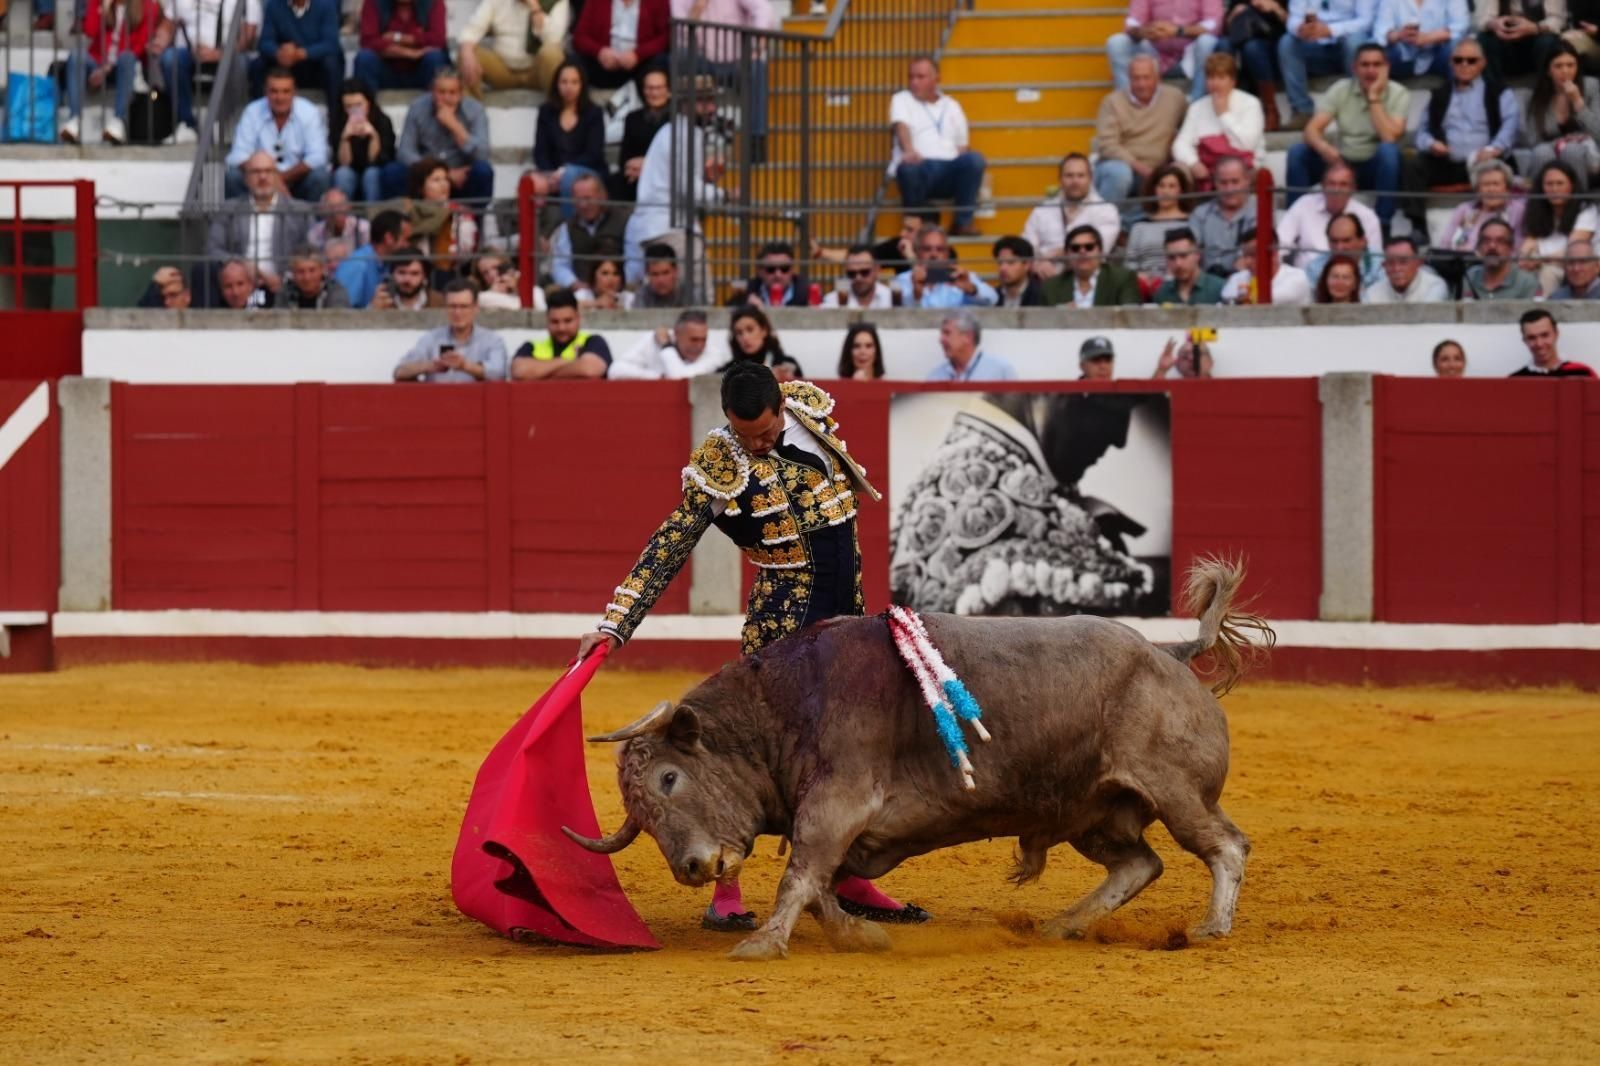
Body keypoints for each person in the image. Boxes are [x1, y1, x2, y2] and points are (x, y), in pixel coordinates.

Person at [576, 363, 927, 932]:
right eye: (747, 436)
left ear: (781, 407)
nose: (758, 446)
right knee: (748, 753)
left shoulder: (808, 408)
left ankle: (851, 877)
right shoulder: (722, 463)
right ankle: (726, 889)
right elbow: (668, 546)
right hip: (783, 623)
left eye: (765, 433)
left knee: (843, 748)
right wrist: (616, 623)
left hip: (845, 619)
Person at [1286, 44, 1407, 230]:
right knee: (1297, 152)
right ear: (1354, 68)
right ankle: (1294, 222)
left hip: (1374, 167)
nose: (1371, 70)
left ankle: (1383, 225)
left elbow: (1389, 137)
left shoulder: (1399, 93)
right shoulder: (1341, 89)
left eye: (1377, 65)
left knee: (1389, 152)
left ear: (1386, 68)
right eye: (1365, 65)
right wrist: (1325, 149)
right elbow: (1311, 130)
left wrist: (1374, 97)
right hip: (1341, 161)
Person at [624, 75, 722, 296]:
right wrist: (723, 195)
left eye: (711, 100)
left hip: (661, 224)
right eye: (704, 101)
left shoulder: (678, 132)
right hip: (669, 227)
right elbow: (688, 189)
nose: (711, 107)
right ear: (686, 104)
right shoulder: (683, 135)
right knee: (700, 294)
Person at [889, 56, 987, 236]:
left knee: (974, 160)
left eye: (920, 77)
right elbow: (901, 126)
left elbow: (963, 145)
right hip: (921, 166)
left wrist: (955, 156)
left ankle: (962, 223)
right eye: (911, 77)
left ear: (936, 79)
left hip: (948, 168)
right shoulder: (901, 99)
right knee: (908, 168)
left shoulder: (952, 105)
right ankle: (914, 226)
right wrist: (909, 150)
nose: (914, 82)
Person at [674, 0, 776, 158]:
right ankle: (686, 132)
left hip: (738, 62)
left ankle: (756, 139)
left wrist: (758, 43)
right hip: (703, 61)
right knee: (679, 57)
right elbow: (680, 34)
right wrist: (697, 10)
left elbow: (763, 8)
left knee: (757, 69)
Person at [1414, 38, 1518, 189]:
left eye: (1471, 60)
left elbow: (1511, 126)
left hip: (1487, 163)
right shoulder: (1439, 94)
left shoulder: (1499, 92)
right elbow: (1421, 132)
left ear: (1482, 63)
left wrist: (1494, 149)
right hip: (1447, 163)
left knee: (1496, 169)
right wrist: (1431, 144)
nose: (1464, 65)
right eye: (1458, 60)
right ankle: (1414, 214)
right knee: (1413, 163)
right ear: (1451, 63)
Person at [207, 150, 312, 299]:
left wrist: (286, 277)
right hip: (240, 283)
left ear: (277, 176)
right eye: (256, 172)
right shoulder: (229, 210)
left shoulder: (299, 211)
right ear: (246, 178)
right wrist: (241, 264)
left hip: (285, 283)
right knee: (202, 269)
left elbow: (312, 252)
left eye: (268, 171)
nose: (262, 177)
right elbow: (213, 249)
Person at [1090, 53, 1189, 205]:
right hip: (1122, 165)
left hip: (1158, 168)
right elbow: (1107, 145)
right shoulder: (1112, 102)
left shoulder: (1175, 98)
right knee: (1120, 173)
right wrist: (1142, 168)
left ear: (1157, 78)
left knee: (1183, 169)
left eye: (1146, 77)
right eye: (1136, 78)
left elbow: (1188, 130)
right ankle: (1103, 222)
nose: (1141, 84)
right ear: (1129, 79)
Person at [152, 0, 261, 137]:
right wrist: (159, 42)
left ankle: (224, 122)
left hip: (231, 54)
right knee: (170, 59)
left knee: (241, 63)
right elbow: (167, 27)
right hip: (190, 52)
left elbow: (247, 39)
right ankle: (187, 124)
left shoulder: (248, 2)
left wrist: (220, 54)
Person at [385, 67, 493, 203]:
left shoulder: (476, 110)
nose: (447, 98)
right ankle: (403, 219)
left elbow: (483, 154)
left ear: (461, 94)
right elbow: (405, 152)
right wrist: (441, 174)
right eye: (441, 92)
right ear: (432, 92)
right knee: (393, 171)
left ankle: (476, 221)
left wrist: (455, 126)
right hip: (427, 176)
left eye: (452, 93)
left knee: (482, 171)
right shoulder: (418, 108)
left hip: (462, 176)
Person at [1277, 0, 1376, 130]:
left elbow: (1366, 21)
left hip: (1347, 40)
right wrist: (1300, 28)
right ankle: (1302, 111)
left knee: (1355, 42)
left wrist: (1331, 30)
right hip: (1315, 44)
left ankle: (1360, 106)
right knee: (1288, 43)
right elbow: (1294, 18)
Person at [1171, 52, 1266, 188]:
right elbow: (1180, 145)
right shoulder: (1197, 107)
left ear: (1232, 81)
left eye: (1221, 78)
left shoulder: (1250, 103)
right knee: (1177, 170)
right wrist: (1193, 163)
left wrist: (1223, 113)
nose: (1215, 83)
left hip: (1243, 167)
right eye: (1211, 78)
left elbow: (1248, 144)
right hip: (1207, 168)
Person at [530, 61, 611, 219]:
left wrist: (564, 171)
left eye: (574, 82)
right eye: (564, 82)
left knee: (569, 176)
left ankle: (569, 228)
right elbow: (540, 151)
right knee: (530, 180)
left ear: (582, 85)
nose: (569, 87)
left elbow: (594, 153)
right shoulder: (546, 112)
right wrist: (551, 175)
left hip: (588, 171)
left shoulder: (594, 113)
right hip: (553, 172)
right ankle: (530, 235)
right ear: (557, 84)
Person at [63, 0, 151, 144]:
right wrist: (104, 9)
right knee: (76, 55)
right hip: (98, 61)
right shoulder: (98, 3)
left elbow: (140, 45)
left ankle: (118, 120)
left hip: (122, 67)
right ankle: (74, 119)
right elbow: (90, 31)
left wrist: (107, 68)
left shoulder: (146, 6)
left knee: (127, 58)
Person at [1022, 153, 1122, 277]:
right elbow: (1025, 250)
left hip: (1089, 281)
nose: (1075, 181)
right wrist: (1038, 265)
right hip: (1044, 282)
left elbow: (1095, 252)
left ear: (1090, 179)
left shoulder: (1106, 210)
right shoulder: (1041, 211)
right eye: (1069, 176)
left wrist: (1048, 256)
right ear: (1060, 179)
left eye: (1080, 176)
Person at [394, 279, 509, 382]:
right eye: (452, 306)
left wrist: (465, 366)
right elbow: (399, 371)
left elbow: (499, 374)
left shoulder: (492, 340)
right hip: (437, 401)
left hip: (474, 401)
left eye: (463, 306)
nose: (457, 313)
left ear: (476, 308)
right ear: (445, 308)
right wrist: (429, 366)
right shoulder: (431, 338)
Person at [1106, 0, 1222, 102]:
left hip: (1191, 52)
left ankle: (1197, 104)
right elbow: (1132, 23)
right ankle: (1129, 104)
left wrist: (1178, 31)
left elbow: (1213, 24)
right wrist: (1144, 31)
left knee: (1207, 42)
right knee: (1117, 42)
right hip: (1155, 52)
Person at [1521, 39, 1600, 188]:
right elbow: (1534, 140)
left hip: (1589, 156)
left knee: (1572, 151)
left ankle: (1578, 204)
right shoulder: (1537, 96)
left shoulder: (1591, 87)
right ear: (1548, 71)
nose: (1565, 71)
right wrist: (1560, 144)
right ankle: (1539, 206)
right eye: (1558, 66)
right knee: (1541, 152)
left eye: (1570, 65)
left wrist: (1578, 103)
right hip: (1550, 155)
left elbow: (1599, 133)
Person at [1277, 161, 1382, 268]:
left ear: (1353, 188)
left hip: (1349, 280)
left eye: (1343, 184)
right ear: (1322, 186)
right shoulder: (1304, 204)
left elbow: (1374, 261)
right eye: (1331, 183)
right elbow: (1280, 243)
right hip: (1303, 279)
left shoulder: (1368, 218)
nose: (1336, 190)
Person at [458, 0, 570, 99]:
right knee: (466, 53)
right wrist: (467, 52)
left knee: (552, 53)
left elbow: (554, 39)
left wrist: (535, 8)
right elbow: (472, 30)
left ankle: (558, 111)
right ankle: (471, 111)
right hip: (502, 71)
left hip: (537, 73)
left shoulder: (557, 1)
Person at [1520, 159, 1599, 293]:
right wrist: (1523, 259)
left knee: (1548, 273)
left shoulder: (1586, 209)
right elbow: (1528, 243)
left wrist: (1539, 260)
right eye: (1549, 184)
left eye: (1560, 183)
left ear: (1572, 186)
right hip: (1542, 265)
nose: (1555, 189)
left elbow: (1573, 250)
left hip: (1574, 267)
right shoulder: (1536, 211)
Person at [400, 157, 479, 282]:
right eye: (436, 180)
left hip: (448, 273)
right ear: (420, 186)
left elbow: (465, 251)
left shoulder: (461, 213)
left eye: (446, 179)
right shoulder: (407, 211)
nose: (444, 184)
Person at [549, 172, 630, 290]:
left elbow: (634, 262)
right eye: (578, 200)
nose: (583, 205)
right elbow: (560, 266)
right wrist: (576, 285)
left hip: (620, 290)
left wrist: (615, 284)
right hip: (580, 292)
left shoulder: (625, 221)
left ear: (603, 196)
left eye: (588, 198)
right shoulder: (566, 227)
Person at [510, 290, 613, 378]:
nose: (561, 328)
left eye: (568, 321)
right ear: (547, 320)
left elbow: (590, 370)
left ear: (578, 318)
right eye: (555, 322)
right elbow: (519, 371)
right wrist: (572, 361)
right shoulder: (532, 346)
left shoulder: (593, 341)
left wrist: (538, 373)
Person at [890, 225, 999, 308]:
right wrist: (916, 295)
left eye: (940, 249)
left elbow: (993, 299)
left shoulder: (961, 277)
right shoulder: (902, 280)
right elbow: (896, 313)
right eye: (927, 249)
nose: (934, 255)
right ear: (917, 252)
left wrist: (971, 289)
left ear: (947, 254)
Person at [254, 0, 342, 101]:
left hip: (315, 65)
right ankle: (259, 113)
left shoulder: (326, 4)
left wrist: (302, 53)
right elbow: (264, 42)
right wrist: (278, 52)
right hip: (286, 64)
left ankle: (335, 115)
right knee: (258, 65)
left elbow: (331, 43)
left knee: (331, 64)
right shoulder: (274, 5)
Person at [571, 0, 670, 89]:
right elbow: (580, 36)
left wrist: (638, 55)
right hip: (604, 63)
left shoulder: (658, 2)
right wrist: (600, 52)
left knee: (660, 61)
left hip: (639, 64)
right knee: (574, 62)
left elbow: (665, 37)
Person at [354, 0, 448, 92]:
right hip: (386, 69)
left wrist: (398, 37)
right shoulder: (374, 2)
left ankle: (436, 105)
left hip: (420, 69)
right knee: (365, 58)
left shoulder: (433, 2)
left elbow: (437, 39)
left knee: (435, 57)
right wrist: (410, 53)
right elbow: (368, 41)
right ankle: (367, 104)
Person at [1222, 0, 1288, 130]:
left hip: (1275, 49)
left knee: (1252, 48)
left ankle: (1271, 109)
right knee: (1224, 45)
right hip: (1244, 47)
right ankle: (1225, 106)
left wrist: (1275, 8)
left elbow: (1294, 25)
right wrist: (1233, 16)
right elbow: (1225, 30)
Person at [1040, 224, 1142, 307]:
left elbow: (1130, 317)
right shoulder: (1051, 287)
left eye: (1089, 247)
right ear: (1067, 254)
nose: (1082, 252)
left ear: (1100, 251)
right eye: (1075, 248)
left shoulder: (1122, 278)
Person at [329, 78, 396, 204]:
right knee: (343, 174)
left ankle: (372, 218)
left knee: (372, 174)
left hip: (374, 169)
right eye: (349, 106)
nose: (354, 110)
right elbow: (343, 163)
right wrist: (345, 139)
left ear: (368, 103)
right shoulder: (337, 122)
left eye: (359, 105)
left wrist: (373, 136)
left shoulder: (382, 121)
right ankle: (342, 220)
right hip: (350, 169)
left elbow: (377, 160)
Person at [610, 310, 730, 379]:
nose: (699, 345)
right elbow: (615, 370)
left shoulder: (714, 355)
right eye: (694, 340)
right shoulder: (653, 340)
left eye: (703, 339)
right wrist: (658, 376)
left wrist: (666, 347)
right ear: (677, 333)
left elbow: (679, 378)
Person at [612, 68, 672, 203]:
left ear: (668, 91)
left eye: (659, 88)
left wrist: (649, 165)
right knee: (615, 182)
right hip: (636, 175)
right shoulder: (632, 118)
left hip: (666, 175)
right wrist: (633, 167)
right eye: (649, 88)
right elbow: (624, 157)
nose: (654, 93)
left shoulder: (678, 118)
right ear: (643, 91)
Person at [1189, 155, 1256, 275]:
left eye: (1235, 182)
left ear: (1247, 181)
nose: (1229, 189)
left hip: (1247, 279)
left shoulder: (1259, 209)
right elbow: (1190, 251)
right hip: (1207, 282)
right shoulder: (1200, 214)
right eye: (1223, 183)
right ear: (1215, 183)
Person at [1125, 165, 1194, 281]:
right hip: (1144, 286)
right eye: (1161, 186)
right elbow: (1130, 263)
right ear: (1154, 189)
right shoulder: (1139, 226)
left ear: (1180, 190)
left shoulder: (1192, 223)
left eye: (1172, 186)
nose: (1165, 191)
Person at [333, 209, 411, 308]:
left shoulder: (387, 263)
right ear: (389, 238)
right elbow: (341, 315)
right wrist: (372, 308)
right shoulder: (357, 265)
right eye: (405, 239)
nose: (408, 245)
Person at [1221, 224, 1313, 303]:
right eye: (1245, 256)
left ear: (1274, 253)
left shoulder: (1297, 277)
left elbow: (1269, 300)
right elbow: (1227, 296)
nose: (1247, 262)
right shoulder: (1238, 278)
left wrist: (1243, 299)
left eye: (1253, 255)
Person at [1375, 0, 1467, 78]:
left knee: (1459, 47)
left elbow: (1461, 25)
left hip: (1438, 55)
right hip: (1404, 56)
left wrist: (1429, 38)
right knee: (1376, 50)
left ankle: (1459, 95)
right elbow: (1382, 29)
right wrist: (1400, 35)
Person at [1475, 0, 1563, 81]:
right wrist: (1494, 24)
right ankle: (1495, 91)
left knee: (1548, 41)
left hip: (1536, 36)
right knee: (1484, 39)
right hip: (1504, 38)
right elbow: (1483, 19)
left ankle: (1544, 91)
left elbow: (1557, 19)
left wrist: (1535, 28)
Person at [926, 311, 1017, 382]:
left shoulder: (1000, 371)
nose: (941, 339)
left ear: (968, 337)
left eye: (947, 333)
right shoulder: (936, 375)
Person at [1462, 217, 1539, 299]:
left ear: (1511, 248)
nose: (1492, 246)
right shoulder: (1467, 279)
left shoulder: (1527, 283)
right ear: (1479, 247)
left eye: (1500, 241)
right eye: (1486, 240)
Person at [1511, 308, 1598, 376]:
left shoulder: (1583, 373)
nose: (1539, 343)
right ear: (1524, 340)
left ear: (1556, 333)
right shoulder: (1514, 382)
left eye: (1544, 335)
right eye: (1531, 338)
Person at [1304, 211, 1383, 286]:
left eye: (1346, 241)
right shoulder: (1315, 268)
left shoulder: (1381, 265)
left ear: (1363, 241)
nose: (1339, 248)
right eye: (1334, 241)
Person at [1363, 234, 1449, 302]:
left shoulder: (1434, 286)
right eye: (1390, 263)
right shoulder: (1372, 294)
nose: (1396, 269)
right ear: (1384, 265)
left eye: (1403, 262)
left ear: (1418, 263)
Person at [1152, 227, 1226, 303]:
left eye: (1183, 256)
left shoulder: (1220, 289)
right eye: (1171, 258)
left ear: (1197, 255)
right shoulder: (1162, 294)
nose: (1178, 263)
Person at [729, 306, 803, 380]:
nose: (745, 337)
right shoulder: (729, 370)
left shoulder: (787, 365)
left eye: (750, 329)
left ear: (764, 330)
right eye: (739, 332)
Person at [732, 242, 813, 308]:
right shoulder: (748, 292)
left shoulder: (808, 293)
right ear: (759, 271)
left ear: (793, 270)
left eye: (784, 269)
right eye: (770, 269)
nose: (778, 275)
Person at [273, 245, 351, 308]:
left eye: (312, 270)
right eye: (301, 272)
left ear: (322, 269)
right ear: (293, 273)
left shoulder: (336, 291)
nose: (307, 277)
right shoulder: (285, 293)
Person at [827, 245, 896, 309]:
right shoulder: (832, 301)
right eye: (852, 273)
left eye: (864, 272)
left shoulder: (890, 299)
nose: (858, 278)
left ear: (877, 270)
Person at [308, 188, 370, 257]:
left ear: (348, 207)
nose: (335, 211)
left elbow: (369, 257)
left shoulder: (363, 228)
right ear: (321, 209)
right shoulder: (315, 233)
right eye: (330, 207)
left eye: (339, 206)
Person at [371, 250, 444, 308]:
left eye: (414, 273)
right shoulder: (383, 301)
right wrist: (374, 311)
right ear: (392, 274)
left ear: (424, 276)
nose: (407, 279)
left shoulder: (439, 302)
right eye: (402, 272)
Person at [471, 251, 543, 309]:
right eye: (485, 273)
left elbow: (540, 307)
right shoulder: (482, 297)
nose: (492, 275)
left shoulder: (530, 287)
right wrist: (493, 292)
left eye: (495, 267)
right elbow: (522, 307)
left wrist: (518, 286)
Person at [991, 236, 1044, 307]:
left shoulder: (1042, 296)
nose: (1003, 268)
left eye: (1010, 262)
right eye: (1000, 263)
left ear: (1027, 265)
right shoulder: (993, 296)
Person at [637, 243, 687, 308]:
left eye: (665, 273)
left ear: (676, 271)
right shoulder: (643, 296)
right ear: (647, 274)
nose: (661, 280)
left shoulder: (690, 294)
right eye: (654, 274)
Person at [1152, 333, 1216, 377]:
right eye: (1185, 356)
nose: (1191, 358)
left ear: (1210, 362)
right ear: (1177, 365)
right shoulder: (1170, 390)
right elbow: (1152, 395)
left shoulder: (1225, 388)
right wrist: (1161, 370)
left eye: (1198, 354)